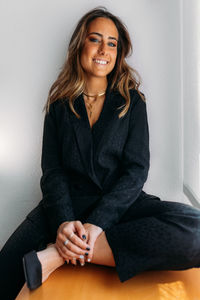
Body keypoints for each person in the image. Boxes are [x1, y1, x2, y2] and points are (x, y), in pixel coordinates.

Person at [1, 6, 200, 300]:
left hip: (120, 206)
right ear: (81, 44)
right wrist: (65, 224)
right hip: (64, 208)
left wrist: (97, 224)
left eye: (112, 43)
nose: (103, 49)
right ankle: (71, 242)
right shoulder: (59, 105)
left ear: (118, 53)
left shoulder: (132, 102)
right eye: (95, 39)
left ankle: (58, 255)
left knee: (195, 231)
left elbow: (136, 171)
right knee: (4, 274)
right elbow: (53, 172)